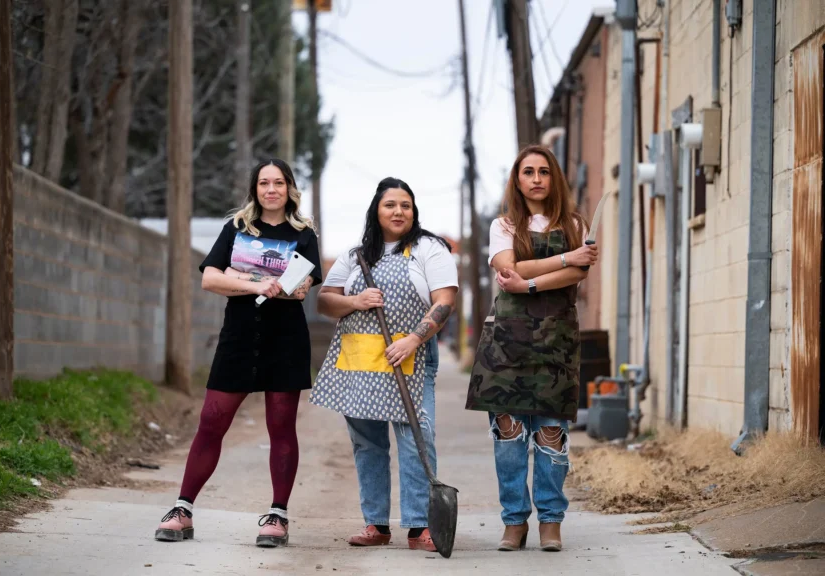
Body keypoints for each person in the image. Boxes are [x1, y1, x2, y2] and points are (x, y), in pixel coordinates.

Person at [154, 158, 321, 548]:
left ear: (289, 188)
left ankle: (277, 516)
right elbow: (211, 278)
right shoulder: (237, 228)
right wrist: (258, 284)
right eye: (264, 182)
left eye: (279, 182)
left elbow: (301, 287)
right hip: (239, 338)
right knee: (212, 421)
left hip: (285, 341)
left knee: (281, 427)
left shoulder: (304, 233)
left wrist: (243, 279)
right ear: (255, 189)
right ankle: (182, 509)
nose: (271, 189)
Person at [310, 178, 458, 552]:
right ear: (377, 210)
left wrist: (412, 339)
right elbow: (325, 301)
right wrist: (356, 301)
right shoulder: (356, 255)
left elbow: (444, 300)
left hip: (410, 356)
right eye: (390, 204)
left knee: (416, 438)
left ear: (414, 211)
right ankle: (376, 524)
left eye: (405, 205)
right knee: (367, 443)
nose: (398, 211)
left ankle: (419, 526)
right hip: (359, 359)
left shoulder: (429, 249)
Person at [465, 145, 598, 552]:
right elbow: (508, 268)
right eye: (528, 172)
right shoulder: (502, 225)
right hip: (507, 343)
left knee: (551, 434)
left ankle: (551, 522)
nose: (537, 178)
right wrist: (564, 258)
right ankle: (514, 522)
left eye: (543, 171)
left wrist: (532, 284)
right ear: (517, 180)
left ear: (553, 178)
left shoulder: (575, 222)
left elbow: (579, 270)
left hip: (556, 342)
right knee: (509, 437)